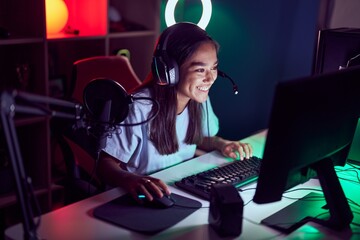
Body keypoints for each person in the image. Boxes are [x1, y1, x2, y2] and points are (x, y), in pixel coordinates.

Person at [97, 22, 253, 203]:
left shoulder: (198, 98)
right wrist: (130, 179)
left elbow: (197, 137)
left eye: (214, 67)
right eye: (200, 69)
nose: (210, 78)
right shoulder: (138, 108)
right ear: (170, 72)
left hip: (177, 189)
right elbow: (105, 164)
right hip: (143, 197)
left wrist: (222, 144)